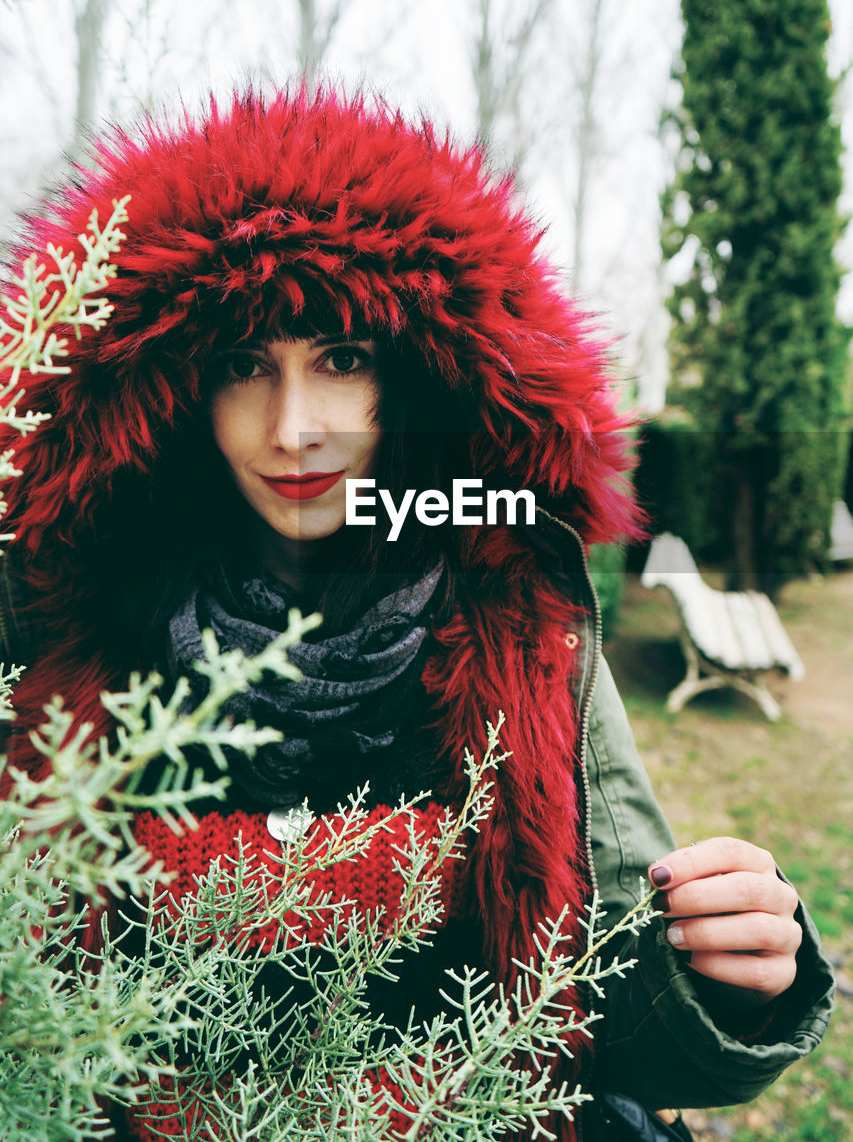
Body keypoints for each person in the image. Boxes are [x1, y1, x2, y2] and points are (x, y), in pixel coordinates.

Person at [0, 87, 834, 1141]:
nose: (294, 427)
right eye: (244, 364)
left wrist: (728, 968)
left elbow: (593, 1017)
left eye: (341, 359)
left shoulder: (517, 620)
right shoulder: (60, 613)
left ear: (421, 373)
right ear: (173, 382)